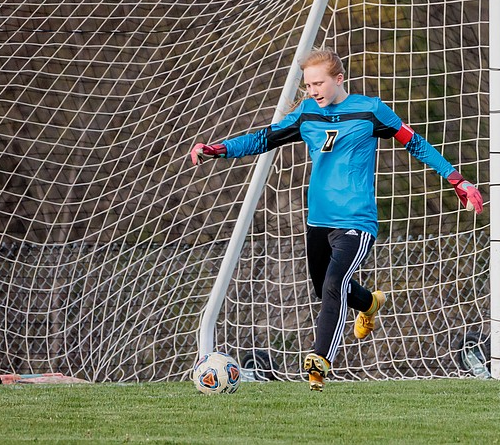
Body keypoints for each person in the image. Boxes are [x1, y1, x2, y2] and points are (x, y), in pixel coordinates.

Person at [190, 48, 483, 391]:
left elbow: (414, 143)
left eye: (319, 83)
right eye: (308, 84)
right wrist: (219, 149)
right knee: (324, 287)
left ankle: (319, 361)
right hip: (319, 220)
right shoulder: (307, 113)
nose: (313, 90)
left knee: (334, 284)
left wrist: (456, 179)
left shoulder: (370, 110)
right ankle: (370, 303)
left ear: (338, 79)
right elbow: (263, 138)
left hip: (356, 220)